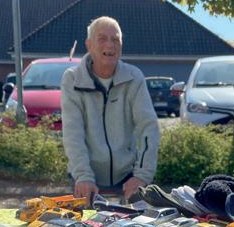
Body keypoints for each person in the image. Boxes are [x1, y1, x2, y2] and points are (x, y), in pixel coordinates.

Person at [61, 16, 160, 201]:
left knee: (138, 220)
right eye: (102, 39)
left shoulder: (134, 77)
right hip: (86, 176)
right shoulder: (72, 79)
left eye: (115, 39)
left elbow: (148, 126)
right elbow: (73, 132)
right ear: (89, 45)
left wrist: (142, 175)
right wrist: (83, 176)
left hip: (128, 175)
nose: (110, 44)